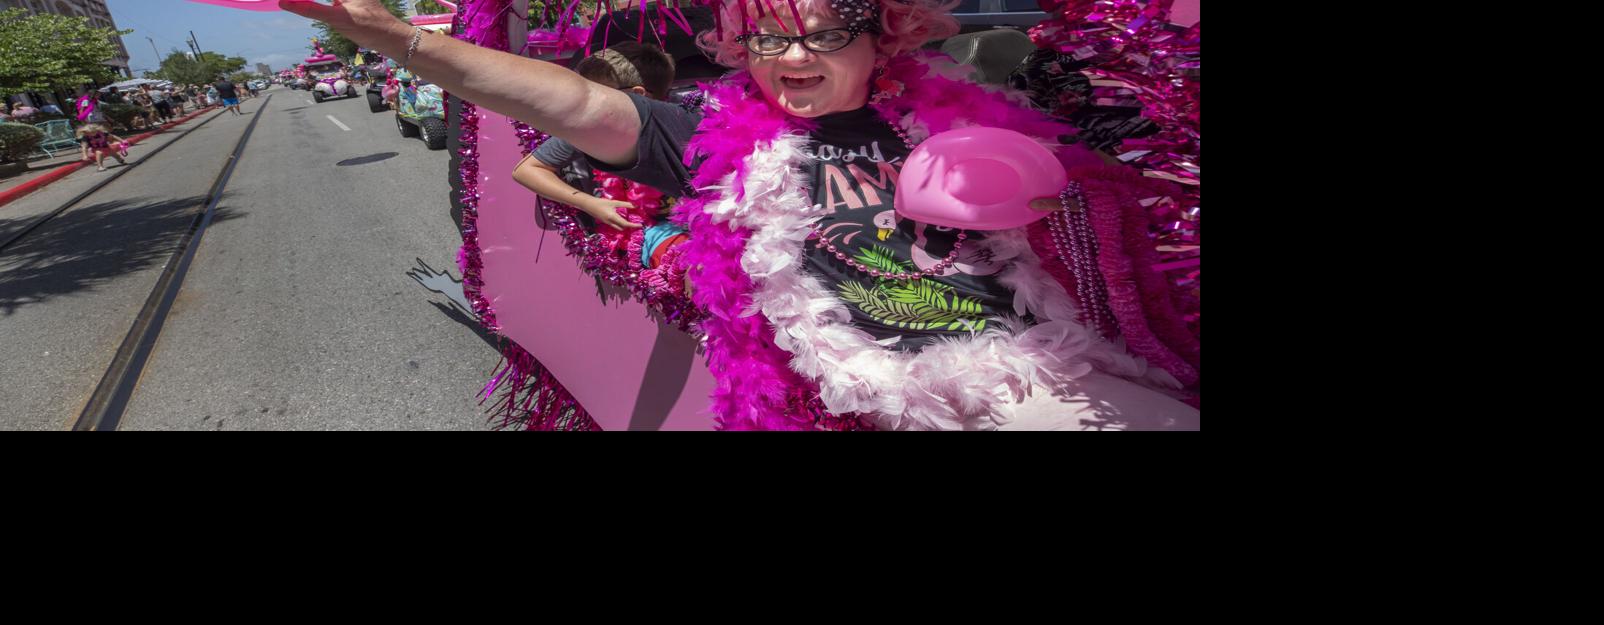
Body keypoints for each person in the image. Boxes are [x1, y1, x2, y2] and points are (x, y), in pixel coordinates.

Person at [281, 0, 1199, 431]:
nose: (794, 53)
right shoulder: (706, 137)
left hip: (1025, 373)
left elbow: (1099, 210)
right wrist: (396, 37)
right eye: (768, 33)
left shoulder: (959, 122)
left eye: (826, 29)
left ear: (888, 33)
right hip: (856, 394)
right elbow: (559, 104)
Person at [511, 41, 686, 264]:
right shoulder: (591, 128)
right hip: (645, 232)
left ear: (638, 95)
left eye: (595, 95)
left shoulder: (687, 117)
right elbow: (526, 170)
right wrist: (589, 203)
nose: (585, 104)